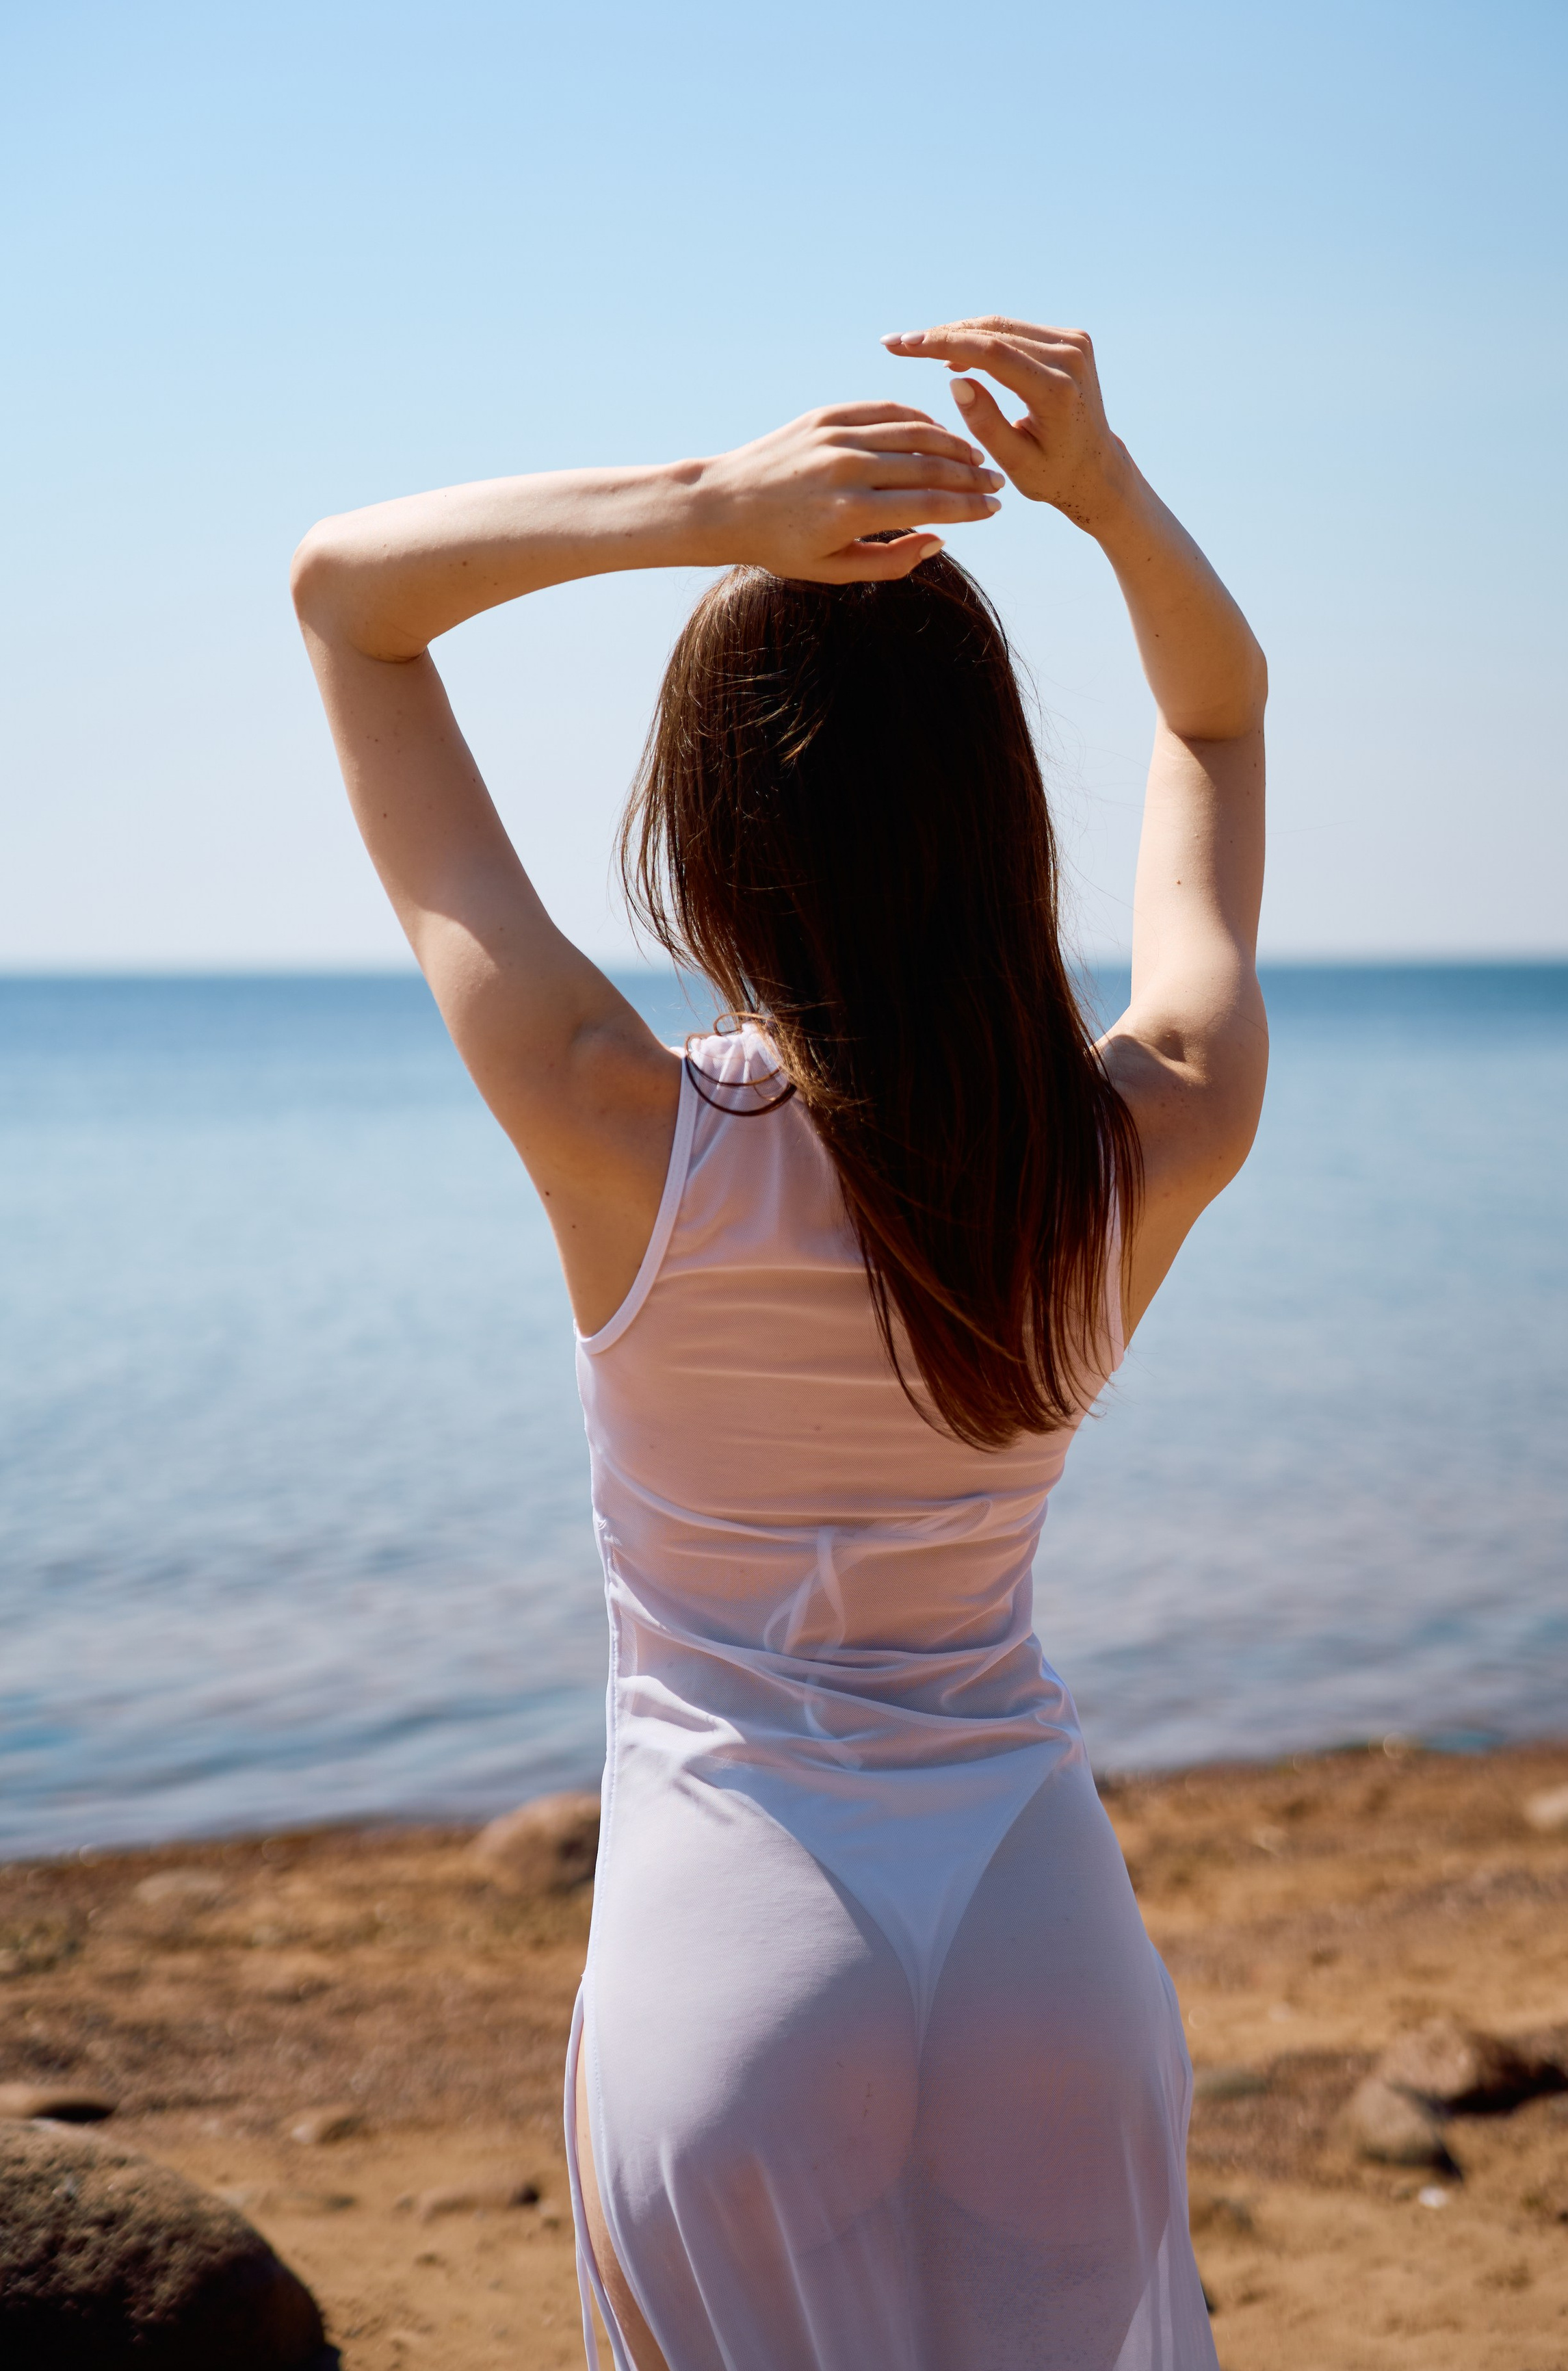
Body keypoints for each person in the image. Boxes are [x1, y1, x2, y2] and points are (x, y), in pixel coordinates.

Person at [293, 315, 1267, 2371]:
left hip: (730, 1940)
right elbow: (1219, 728)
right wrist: (1103, 498)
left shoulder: (615, 1121)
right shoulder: (1141, 1131)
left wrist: (705, 517)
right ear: (1006, 826)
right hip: (1043, 1945)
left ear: (715, 842)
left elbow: (349, 604)